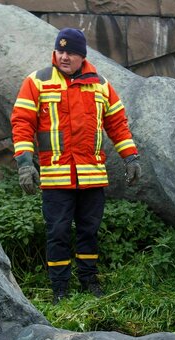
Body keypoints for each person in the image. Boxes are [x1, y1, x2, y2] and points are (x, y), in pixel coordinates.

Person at [11, 27, 142, 304]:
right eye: (60, 51)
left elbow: (117, 124)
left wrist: (130, 157)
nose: (64, 56)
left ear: (82, 55)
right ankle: (60, 289)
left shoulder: (102, 86)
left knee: (88, 231)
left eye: (70, 52)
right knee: (57, 232)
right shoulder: (36, 82)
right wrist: (25, 164)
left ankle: (89, 280)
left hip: (92, 177)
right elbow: (22, 124)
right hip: (56, 178)